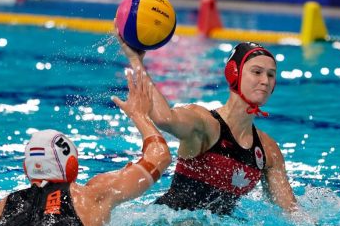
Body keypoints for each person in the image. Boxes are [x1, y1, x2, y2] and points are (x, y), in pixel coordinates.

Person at [0, 69, 171, 226]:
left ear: (27, 170)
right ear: (72, 166)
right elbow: (160, 157)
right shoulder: (94, 195)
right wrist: (139, 115)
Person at [115, 21, 297, 215]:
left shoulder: (268, 151)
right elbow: (163, 118)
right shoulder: (204, 124)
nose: (265, 81)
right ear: (233, 73)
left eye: (271, 75)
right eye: (257, 72)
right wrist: (136, 61)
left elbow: (291, 212)